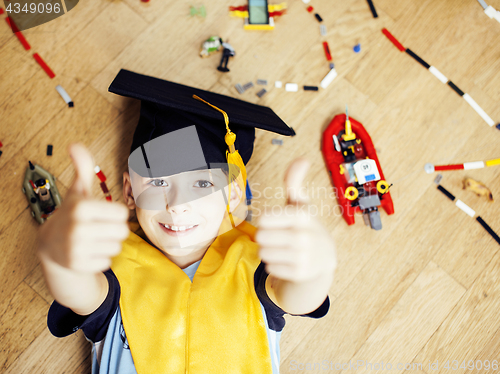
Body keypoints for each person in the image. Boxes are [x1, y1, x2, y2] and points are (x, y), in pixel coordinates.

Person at [38, 69, 337, 374]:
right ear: (129, 191)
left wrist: (316, 269)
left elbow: (298, 296)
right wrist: (60, 260)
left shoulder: (255, 264)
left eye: (203, 184)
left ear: (233, 195)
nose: (178, 205)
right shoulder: (111, 264)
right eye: (157, 183)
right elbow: (77, 290)